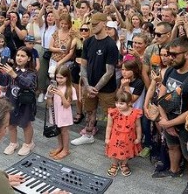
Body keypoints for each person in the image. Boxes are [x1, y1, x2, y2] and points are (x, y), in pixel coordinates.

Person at [155, 37, 188, 194]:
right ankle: (174, 169)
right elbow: (161, 97)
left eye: (174, 54)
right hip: (168, 118)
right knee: (172, 146)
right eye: (169, 54)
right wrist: (165, 120)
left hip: (187, 125)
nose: (170, 57)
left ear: (187, 54)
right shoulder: (170, 70)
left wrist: (169, 123)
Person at [72, 13, 119, 146]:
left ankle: (114, 140)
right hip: (89, 85)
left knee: (111, 114)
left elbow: (109, 72)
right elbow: (83, 65)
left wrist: (96, 88)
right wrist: (87, 86)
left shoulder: (111, 45)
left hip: (107, 88)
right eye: (91, 24)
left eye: (95, 24)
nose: (92, 26)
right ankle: (88, 134)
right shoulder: (88, 42)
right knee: (89, 111)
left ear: (103, 24)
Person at [0, 47, 38, 156]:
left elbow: (27, 84)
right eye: (18, 55)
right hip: (11, 101)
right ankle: (13, 143)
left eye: (23, 56)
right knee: (11, 123)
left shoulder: (32, 72)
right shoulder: (12, 69)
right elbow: (2, 81)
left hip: (25, 103)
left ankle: (28, 144)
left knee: (25, 124)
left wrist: (14, 74)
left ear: (29, 58)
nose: (19, 58)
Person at [105, 91, 142, 177]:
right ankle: (114, 164)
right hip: (115, 138)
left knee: (127, 151)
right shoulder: (113, 112)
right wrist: (107, 138)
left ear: (129, 103)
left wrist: (138, 138)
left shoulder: (135, 113)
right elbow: (109, 126)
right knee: (114, 151)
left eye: (121, 103)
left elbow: (138, 126)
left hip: (129, 138)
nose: (118, 105)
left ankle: (124, 164)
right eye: (116, 103)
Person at [46, 65, 76, 161]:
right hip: (55, 114)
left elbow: (67, 105)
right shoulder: (52, 87)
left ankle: (66, 149)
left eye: (61, 78)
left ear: (67, 77)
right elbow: (49, 104)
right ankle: (60, 146)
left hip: (64, 115)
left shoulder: (70, 89)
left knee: (64, 131)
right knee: (58, 130)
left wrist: (61, 95)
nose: (59, 80)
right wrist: (49, 94)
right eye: (57, 77)